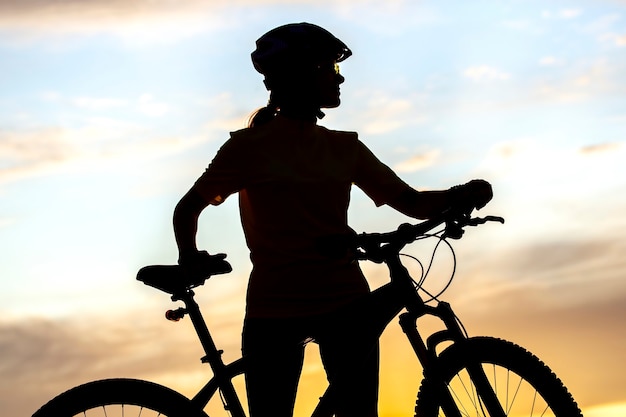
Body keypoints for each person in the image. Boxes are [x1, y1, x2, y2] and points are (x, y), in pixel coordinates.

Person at [173, 22, 492, 417]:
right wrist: (190, 258)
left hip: (334, 303)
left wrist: (461, 196)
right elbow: (188, 208)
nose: (340, 80)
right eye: (330, 69)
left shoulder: (342, 147)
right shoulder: (249, 149)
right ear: (301, 75)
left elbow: (410, 202)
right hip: (282, 308)